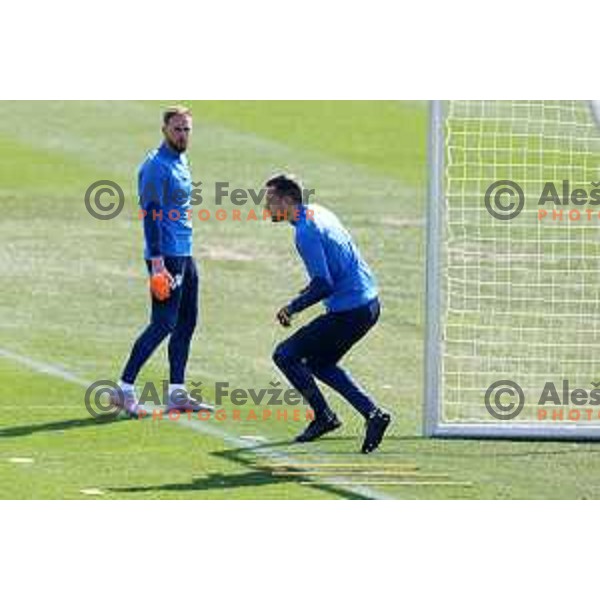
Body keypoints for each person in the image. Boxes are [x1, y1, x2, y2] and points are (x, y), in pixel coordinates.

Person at [266, 175, 391, 453]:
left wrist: (292, 307)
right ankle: (371, 414)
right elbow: (335, 264)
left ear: (287, 201)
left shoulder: (305, 232)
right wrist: (309, 289)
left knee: (285, 354)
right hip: (369, 304)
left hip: (350, 311)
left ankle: (325, 416)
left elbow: (324, 284)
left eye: (271, 202)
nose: (267, 209)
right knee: (320, 363)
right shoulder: (318, 212)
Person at [113, 106, 212, 416]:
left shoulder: (180, 159)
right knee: (163, 323)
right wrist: (157, 262)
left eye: (187, 130)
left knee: (187, 321)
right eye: (177, 129)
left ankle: (177, 393)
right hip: (166, 255)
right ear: (164, 130)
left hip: (184, 252)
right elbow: (151, 215)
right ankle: (124, 389)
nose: (183, 135)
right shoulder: (156, 167)